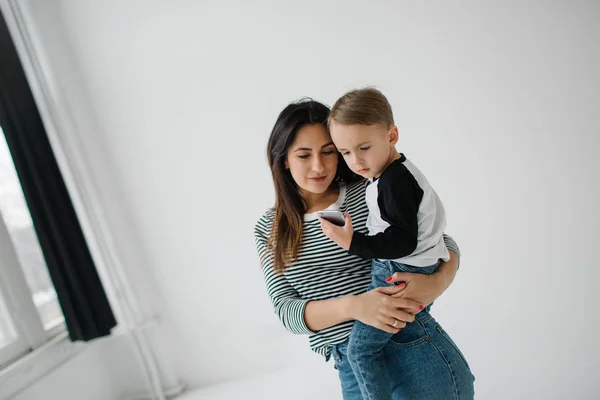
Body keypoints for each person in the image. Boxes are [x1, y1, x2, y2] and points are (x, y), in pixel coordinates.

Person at [254, 99, 475, 399]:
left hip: (412, 346)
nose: (318, 166)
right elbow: (286, 310)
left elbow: (441, 241)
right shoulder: (271, 228)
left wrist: (437, 282)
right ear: (283, 160)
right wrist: (356, 306)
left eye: (329, 152)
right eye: (304, 155)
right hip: (354, 366)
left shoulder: (371, 188)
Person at [320, 87, 455, 399]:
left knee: (361, 353)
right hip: (402, 268)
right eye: (345, 152)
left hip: (398, 269)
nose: (356, 161)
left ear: (392, 135)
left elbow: (402, 242)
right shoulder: (389, 175)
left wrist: (352, 242)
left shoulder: (394, 181)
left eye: (364, 147)